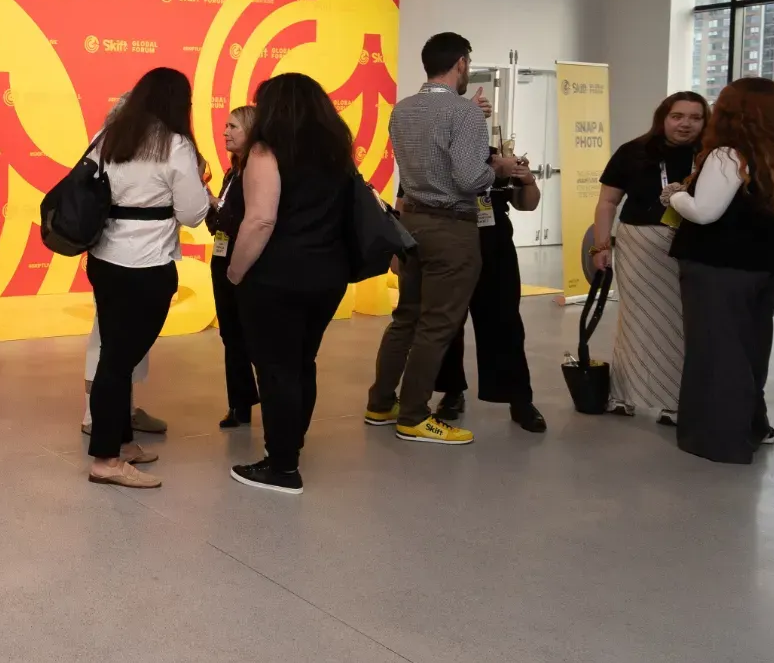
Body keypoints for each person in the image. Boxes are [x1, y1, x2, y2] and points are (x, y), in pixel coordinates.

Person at [366, 32, 524, 444]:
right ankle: (415, 415)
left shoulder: (402, 110)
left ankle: (382, 403)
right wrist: (502, 168)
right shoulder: (466, 114)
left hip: (413, 220)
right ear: (461, 63)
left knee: (407, 316)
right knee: (437, 324)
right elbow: (470, 178)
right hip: (452, 226)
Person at [225, 75, 355, 493]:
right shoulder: (336, 151)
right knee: (302, 363)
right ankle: (290, 444)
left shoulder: (266, 151)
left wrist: (235, 272)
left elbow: (260, 219)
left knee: (277, 369)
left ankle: (282, 466)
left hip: (278, 277)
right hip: (328, 275)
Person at [83, 68, 211, 488]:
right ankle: (105, 459)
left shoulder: (110, 136)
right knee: (118, 361)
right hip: (147, 265)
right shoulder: (174, 146)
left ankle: (120, 444)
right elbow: (193, 212)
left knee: (114, 354)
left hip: (104, 258)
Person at [663, 77, 774, 464]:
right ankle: (753, 426)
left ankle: (718, 438)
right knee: (751, 349)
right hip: (766, 269)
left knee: (716, 352)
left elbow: (704, 213)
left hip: (719, 269)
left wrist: (675, 194)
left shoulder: (727, 155)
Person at [591, 92, 708, 425]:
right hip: (639, 242)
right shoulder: (634, 151)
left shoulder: (711, 157)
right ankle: (623, 394)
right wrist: (601, 246)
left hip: (692, 246)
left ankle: (674, 401)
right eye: (677, 116)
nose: (686, 124)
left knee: (682, 322)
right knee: (635, 318)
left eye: (695, 117)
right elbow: (607, 203)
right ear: (663, 118)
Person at [433, 133, 546, 433]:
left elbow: (527, 205)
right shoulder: (439, 154)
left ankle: (518, 397)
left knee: (505, 323)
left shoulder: (497, 156)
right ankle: (452, 390)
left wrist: (527, 180)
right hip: (451, 244)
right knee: (449, 323)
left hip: (494, 246)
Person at [78, 95, 167, 439]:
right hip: (122, 254)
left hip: (121, 254)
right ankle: (95, 414)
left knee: (121, 337)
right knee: (109, 336)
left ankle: (121, 409)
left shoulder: (113, 143)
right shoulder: (116, 144)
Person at [208, 104, 260, 429]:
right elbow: (221, 220)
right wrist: (213, 205)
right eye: (225, 126)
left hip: (246, 262)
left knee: (252, 335)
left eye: (233, 127)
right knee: (230, 334)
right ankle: (239, 404)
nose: (225, 132)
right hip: (221, 258)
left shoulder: (257, 172)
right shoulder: (231, 172)